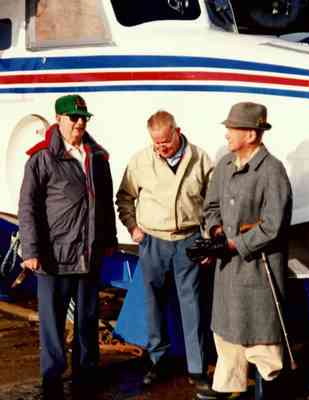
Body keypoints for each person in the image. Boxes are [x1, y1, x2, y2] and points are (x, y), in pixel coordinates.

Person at [18, 94, 117, 397]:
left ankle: (86, 373)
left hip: (88, 254)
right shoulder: (41, 158)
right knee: (53, 322)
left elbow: (105, 203)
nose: (79, 123)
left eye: (83, 118)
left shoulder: (97, 157)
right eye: (73, 118)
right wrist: (31, 251)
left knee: (87, 319)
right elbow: (28, 207)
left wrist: (110, 240)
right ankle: (52, 378)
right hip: (54, 256)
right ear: (58, 119)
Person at [115, 110, 214, 392]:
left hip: (188, 240)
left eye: (166, 142)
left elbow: (213, 202)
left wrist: (208, 238)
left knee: (193, 305)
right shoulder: (140, 161)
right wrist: (133, 227)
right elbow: (124, 197)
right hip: (153, 241)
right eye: (156, 143)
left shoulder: (200, 159)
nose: (161, 148)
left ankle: (197, 368)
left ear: (177, 132)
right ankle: (158, 361)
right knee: (153, 304)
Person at [202, 102, 293, 399]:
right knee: (227, 337)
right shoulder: (224, 166)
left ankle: (270, 392)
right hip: (227, 272)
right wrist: (215, 231)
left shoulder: (272, 171)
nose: (226, 134)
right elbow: (210, 207)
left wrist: (236, 244)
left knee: (262, 341)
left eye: (232, 129)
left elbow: (274, 225)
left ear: (251, 134)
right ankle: (229, 390)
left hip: (258, 271)